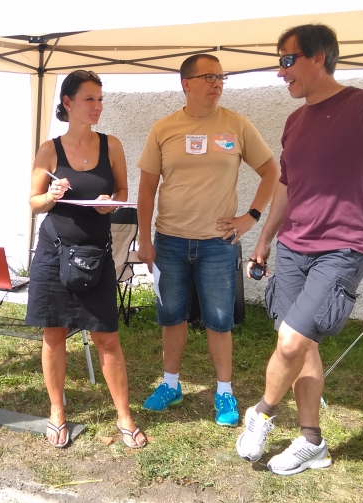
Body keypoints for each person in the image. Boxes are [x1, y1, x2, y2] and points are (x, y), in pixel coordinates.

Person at [235, 24, 363, 475]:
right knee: (303, 347)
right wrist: (265, 239)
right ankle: (311, 441)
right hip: (292, 247)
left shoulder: (362, 104)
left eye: (287, 60)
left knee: (291, 341)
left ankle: (260, 412)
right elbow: (286, 184)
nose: (280, 72)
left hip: (342, 248)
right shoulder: (295, 121)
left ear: (318, 57)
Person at [136, 54, 280, 427]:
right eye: (209, 77)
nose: (217, 83)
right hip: (169, 241)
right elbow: (147, 189)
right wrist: (144, 238)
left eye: (221, 77)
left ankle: (224, 392)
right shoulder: (164, 128)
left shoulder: (237, 125)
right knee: (171, 316)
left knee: (219, 320)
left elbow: (271, 171)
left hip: (218, 244)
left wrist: (251, 216)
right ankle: (170, 385)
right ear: (186, 84)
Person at [26, 70, 146, 449]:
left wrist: (111, 203)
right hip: (54, 253)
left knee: (107, 337)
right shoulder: (49, 150)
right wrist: (51, 196)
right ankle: (57, 411)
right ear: (68, 103)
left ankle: (124, 415)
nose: (97, 106)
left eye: (100, 99)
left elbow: (123, 189)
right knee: (54, 334)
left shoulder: (112, 145)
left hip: (97, 253)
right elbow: (34, 202)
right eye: (89, 99)